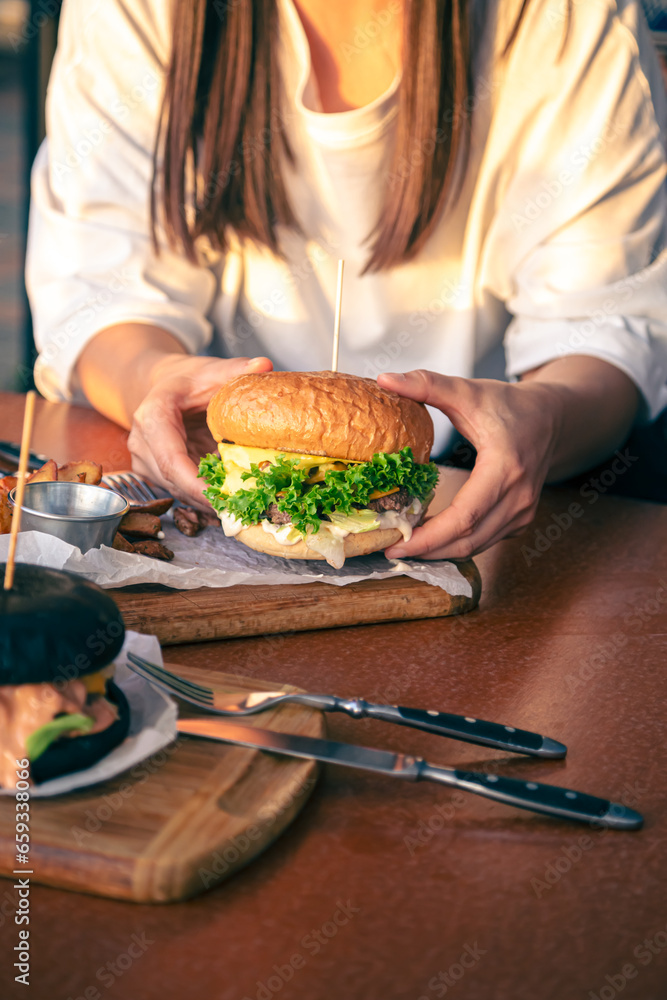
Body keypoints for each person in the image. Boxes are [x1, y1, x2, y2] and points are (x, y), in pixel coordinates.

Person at [26, 0, 667, 560]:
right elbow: (101, 291)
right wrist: (156, 383)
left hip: (489, 497)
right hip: (198, 477)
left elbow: (607, 324)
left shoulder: (567, 17)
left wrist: (547, 419)